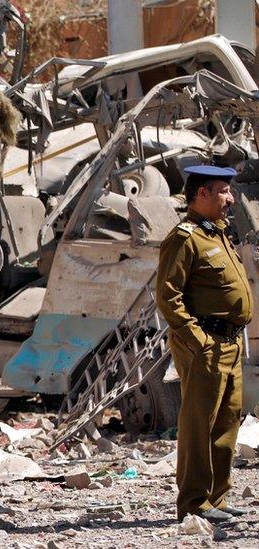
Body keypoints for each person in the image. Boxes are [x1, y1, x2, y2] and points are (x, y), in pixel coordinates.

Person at [157, 164, 254, 523]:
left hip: (229, 343)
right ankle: (194, 503)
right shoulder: (185, 238)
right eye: (223, 191)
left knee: (226, 421)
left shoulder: (218, 234)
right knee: (200, 423)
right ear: (202, 195)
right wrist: (198, 340)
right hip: (206, 345)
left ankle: (217, 499)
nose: (230, 198)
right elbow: (168, 297)